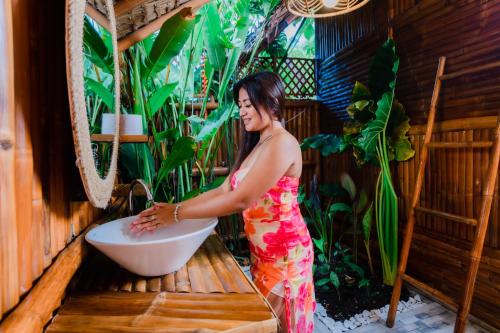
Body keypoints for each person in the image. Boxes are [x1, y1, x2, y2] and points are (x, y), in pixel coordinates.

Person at [130, 71, 315, 333]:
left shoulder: (283, 143)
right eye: (240, 106)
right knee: (265, 323)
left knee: (276, 327)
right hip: (263, 254)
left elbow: (241, 199)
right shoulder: (259, 144)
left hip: (285, 257)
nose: (242, 112)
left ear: (271, 100)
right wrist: (174, 209)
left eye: (248, 105)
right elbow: (223, 190)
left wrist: (177, 214)